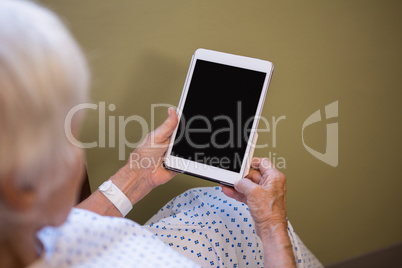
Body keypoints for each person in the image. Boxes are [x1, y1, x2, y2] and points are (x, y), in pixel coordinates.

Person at [0, 1, 322, 267]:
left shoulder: (21, 236)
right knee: (236, 212)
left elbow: (66, 230)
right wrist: (270, 225)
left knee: (224, 205)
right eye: (67, 143)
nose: (79, 155)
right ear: (21, 191)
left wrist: (137, 176)